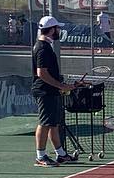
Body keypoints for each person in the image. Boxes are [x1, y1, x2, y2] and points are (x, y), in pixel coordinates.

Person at [31, 15, 79, 168]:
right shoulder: (42, 48)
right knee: (45, 123)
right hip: (44, 92)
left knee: (53, 123)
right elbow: (42, 73)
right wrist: (61, 86)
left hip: (51, 91)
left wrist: (61, 85)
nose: (59, 30)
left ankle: (61, 155)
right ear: (52, 30)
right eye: (58, 28)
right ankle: (40, 156)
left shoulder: (46, 46)